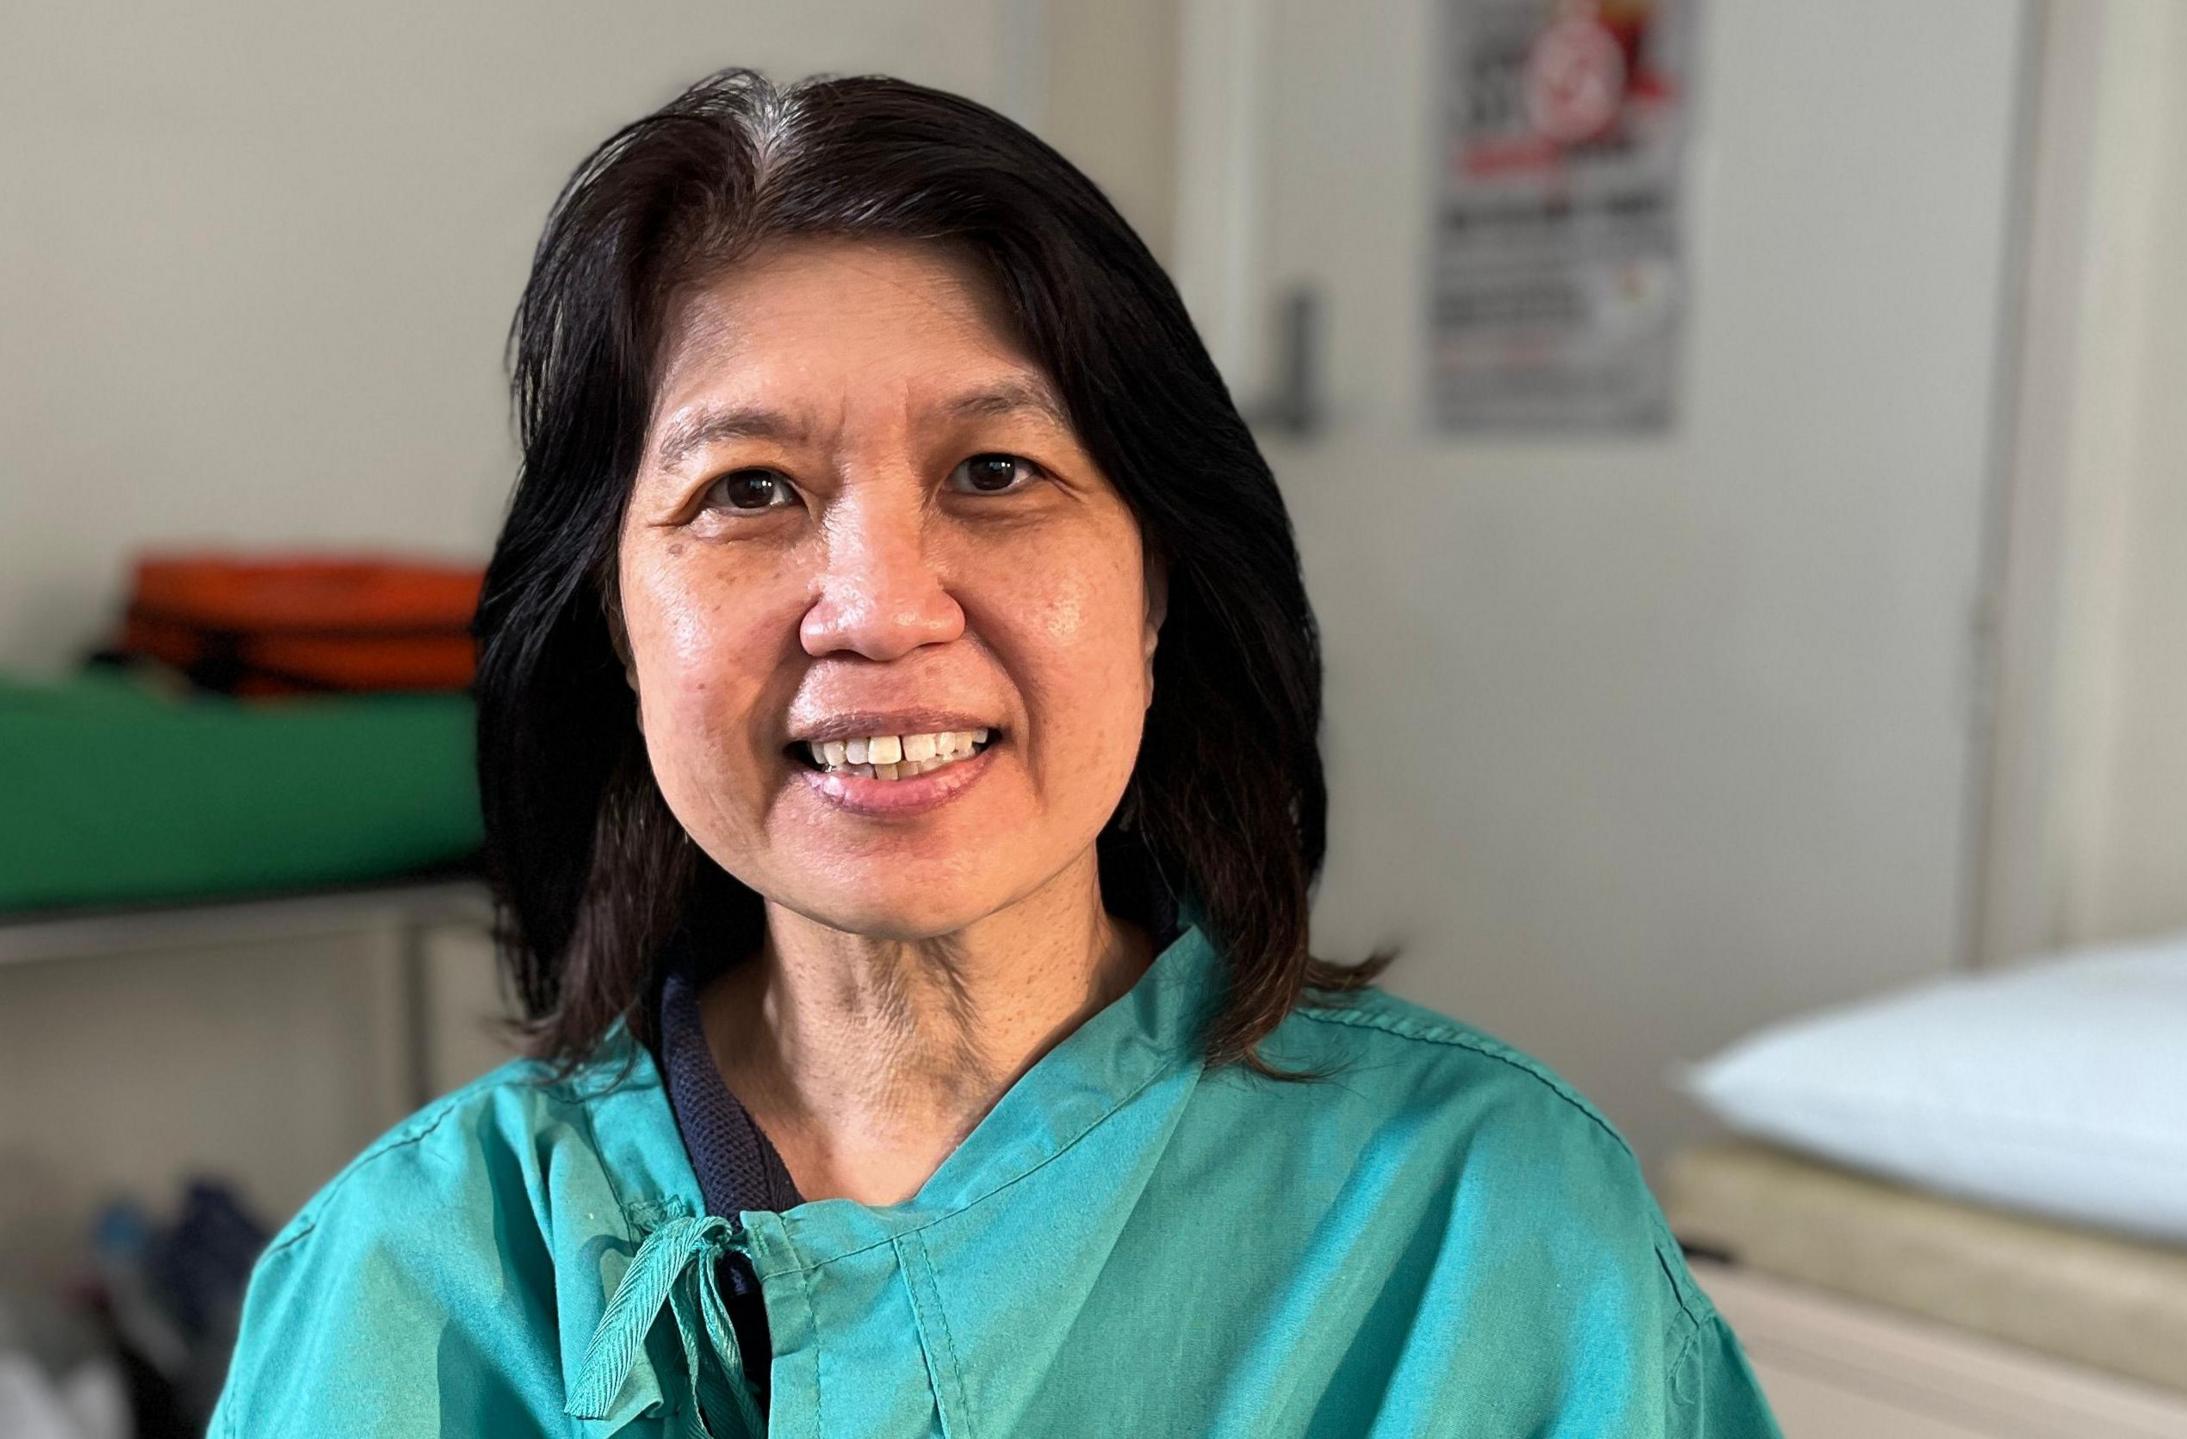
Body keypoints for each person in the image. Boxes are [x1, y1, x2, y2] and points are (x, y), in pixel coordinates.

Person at [210, 70, 1779, 1437]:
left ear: (1157, 581)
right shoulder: (412, 1278)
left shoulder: (1490, 1230)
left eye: (998, 470)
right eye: (748, 491)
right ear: (617, 624)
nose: (880, 609)